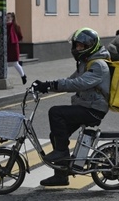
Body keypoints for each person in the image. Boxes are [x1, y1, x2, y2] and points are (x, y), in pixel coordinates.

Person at [31, 27, 111, 187]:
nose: (77, 49)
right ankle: (61, 176)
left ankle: (61, 153)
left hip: (94, 110)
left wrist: (51, 84)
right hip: (86, 106)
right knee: (56, 134)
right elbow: (69, 80)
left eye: (81, 46)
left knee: (56, 112)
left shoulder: (98, 65)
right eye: (76, 45)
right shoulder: (86, 63)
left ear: (91, 46)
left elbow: (77, 83)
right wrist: (46, 86)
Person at [6, 12, 27, 84]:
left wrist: (15, 40)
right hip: (7, 47)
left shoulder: (16, 26)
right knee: (5, 64)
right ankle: (5, 78)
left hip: (14, 47)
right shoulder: (4, 26)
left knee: (15, 63)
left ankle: (23, 76)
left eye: (8, 17)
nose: (7, 19)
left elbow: (20, 36)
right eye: (6, 17)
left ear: (12, 18)